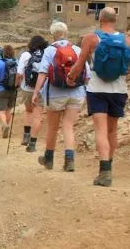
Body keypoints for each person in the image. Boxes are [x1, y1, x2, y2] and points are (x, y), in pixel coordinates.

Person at [67, 7, 130, 187]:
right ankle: (109, 166)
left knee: (100, 131)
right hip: (119, 90)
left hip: (97, 90)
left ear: (99, 19)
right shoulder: (127, 40)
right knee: (112, 130)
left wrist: (71, 78)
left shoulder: (91, 38)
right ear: (114, 20)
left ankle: (104, 173)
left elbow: (79, 65)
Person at [31, 22, 89, 172]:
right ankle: (69, 161)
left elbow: (43, 73)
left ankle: (48, 159)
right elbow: (87, 74)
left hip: (55, 93)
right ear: (67, 32)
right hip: (76, 93)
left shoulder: (50, 50)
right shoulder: (77, 49)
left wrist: (36, 92)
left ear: (52, 34)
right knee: (68, 126)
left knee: (53, 127)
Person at [16, 35, 49, 152]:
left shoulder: (26, 55)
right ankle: (33, 142)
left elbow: (19, 73)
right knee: (37, 116)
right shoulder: (47, 54)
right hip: (40, 90)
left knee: (28, 112)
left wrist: (17, 83)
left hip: (26, 88)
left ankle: (26, 137)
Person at [0, 44, 18, 138]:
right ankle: (6, 126)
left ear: (2, 53)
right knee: (8, 109)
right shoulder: (16, 62)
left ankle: (4, 125)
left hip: (1, 89)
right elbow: (21, 75)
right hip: (13, 89)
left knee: (1, 110)